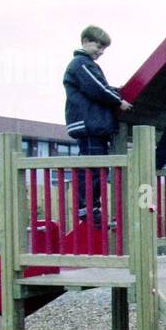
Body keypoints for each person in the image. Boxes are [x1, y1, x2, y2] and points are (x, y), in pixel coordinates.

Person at [63, 25, 132, 227]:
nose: (101, 52)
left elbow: (102, 87)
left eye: (104, 49)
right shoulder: (80, 64)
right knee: (92, 168)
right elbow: (97, 88)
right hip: (89, 124)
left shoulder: (86, 64)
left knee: (96, 169)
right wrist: (119, 100)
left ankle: (92, 207)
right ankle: (87, 209)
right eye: (98, 46)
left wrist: (118, 91)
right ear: (85, 41)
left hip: (95, 125)